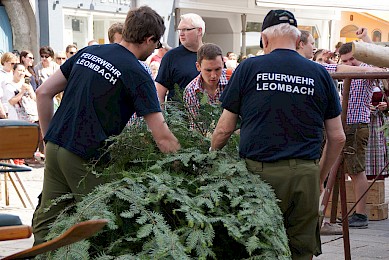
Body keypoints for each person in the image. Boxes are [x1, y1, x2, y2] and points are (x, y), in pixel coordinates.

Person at [32, 5, 180, 245]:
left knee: (47, 224)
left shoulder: (89, 52)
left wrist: (50, 138)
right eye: (157, 43)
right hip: (84, 156)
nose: (156, 49)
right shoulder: (137, 73)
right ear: (149, 39)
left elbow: (43, 93)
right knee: (105, 225)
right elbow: (162, 136)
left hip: (55, 147)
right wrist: (185, 165)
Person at [210, 10, 345, 259]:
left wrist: (210, 157)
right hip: (305, 174)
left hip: (258, 176)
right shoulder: (320, 74)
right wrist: (319, 177)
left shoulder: (249, 67)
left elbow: (224, 128)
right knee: (300, 250)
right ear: (297, 40)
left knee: (259, 246)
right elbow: (338, 137)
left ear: (264, 39)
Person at [338, 41, 377, 229]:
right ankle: (352, 212)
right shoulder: (344, 69)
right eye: (345, 60)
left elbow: (378, 67)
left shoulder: (367, 69)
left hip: (357, 124)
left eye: (352, 59)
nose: (350, 64)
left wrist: (367, 41)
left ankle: (361, 214)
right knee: (347, 170)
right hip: (345, 124)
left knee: (356, 170)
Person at [155, 13, 205, 103]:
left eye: (186, 29)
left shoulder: (212, 55)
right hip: (178, 115)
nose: (181, 34)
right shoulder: (171, 57)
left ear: (199, 31)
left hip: (208, 114)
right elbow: (159, 94)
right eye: (179, 30)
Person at [183, 43, 228, 130]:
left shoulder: (232, 80)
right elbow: (196, 127)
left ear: (223, 63)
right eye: (208, 70)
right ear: (198, 66)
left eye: (218, 69)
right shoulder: (191, 90)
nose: (213, 75)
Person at [0, 52, 18, 118]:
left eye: (15, 64)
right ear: (5, 62)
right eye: (12, 63)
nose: (14, 65)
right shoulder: (1, 75)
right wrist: (1, 110)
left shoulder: (15, 73)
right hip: (5, 108)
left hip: (16, 108)